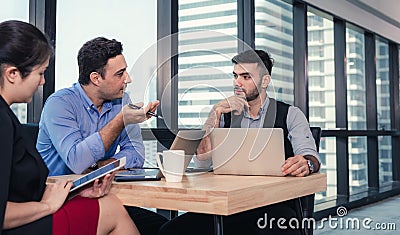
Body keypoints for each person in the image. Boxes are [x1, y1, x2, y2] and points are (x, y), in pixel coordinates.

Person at [159, 49, 321, 235]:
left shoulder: (290, 114)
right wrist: (214, 113)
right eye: (235, 76)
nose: (237, 82)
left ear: (265, 81)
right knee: (171, 230)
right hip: (229, 204)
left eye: (246, 77)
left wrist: (306, 163)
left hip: (273, 205)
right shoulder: (224, 116)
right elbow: (202, 161)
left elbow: (311, 156)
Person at [0, 20, 138, 235]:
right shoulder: (53, 105)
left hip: (38, 206)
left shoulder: (6, 117)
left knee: (115, 206)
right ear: (12, 74)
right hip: (22, 222)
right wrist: (47, 206)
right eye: (40, 73)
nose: (43, 82)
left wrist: (74, 192)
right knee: (112, 209)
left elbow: (19, 190)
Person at [36, 37, 167, 234]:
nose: (128, 79)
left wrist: (100, 166)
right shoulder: (60, 104)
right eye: (120, 74)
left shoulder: (121, 101)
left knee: (161, 227)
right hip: (57, 199)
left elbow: (137, 154)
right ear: (96, 78)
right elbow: (77, 161)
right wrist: (120, 120)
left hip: (99, 193)